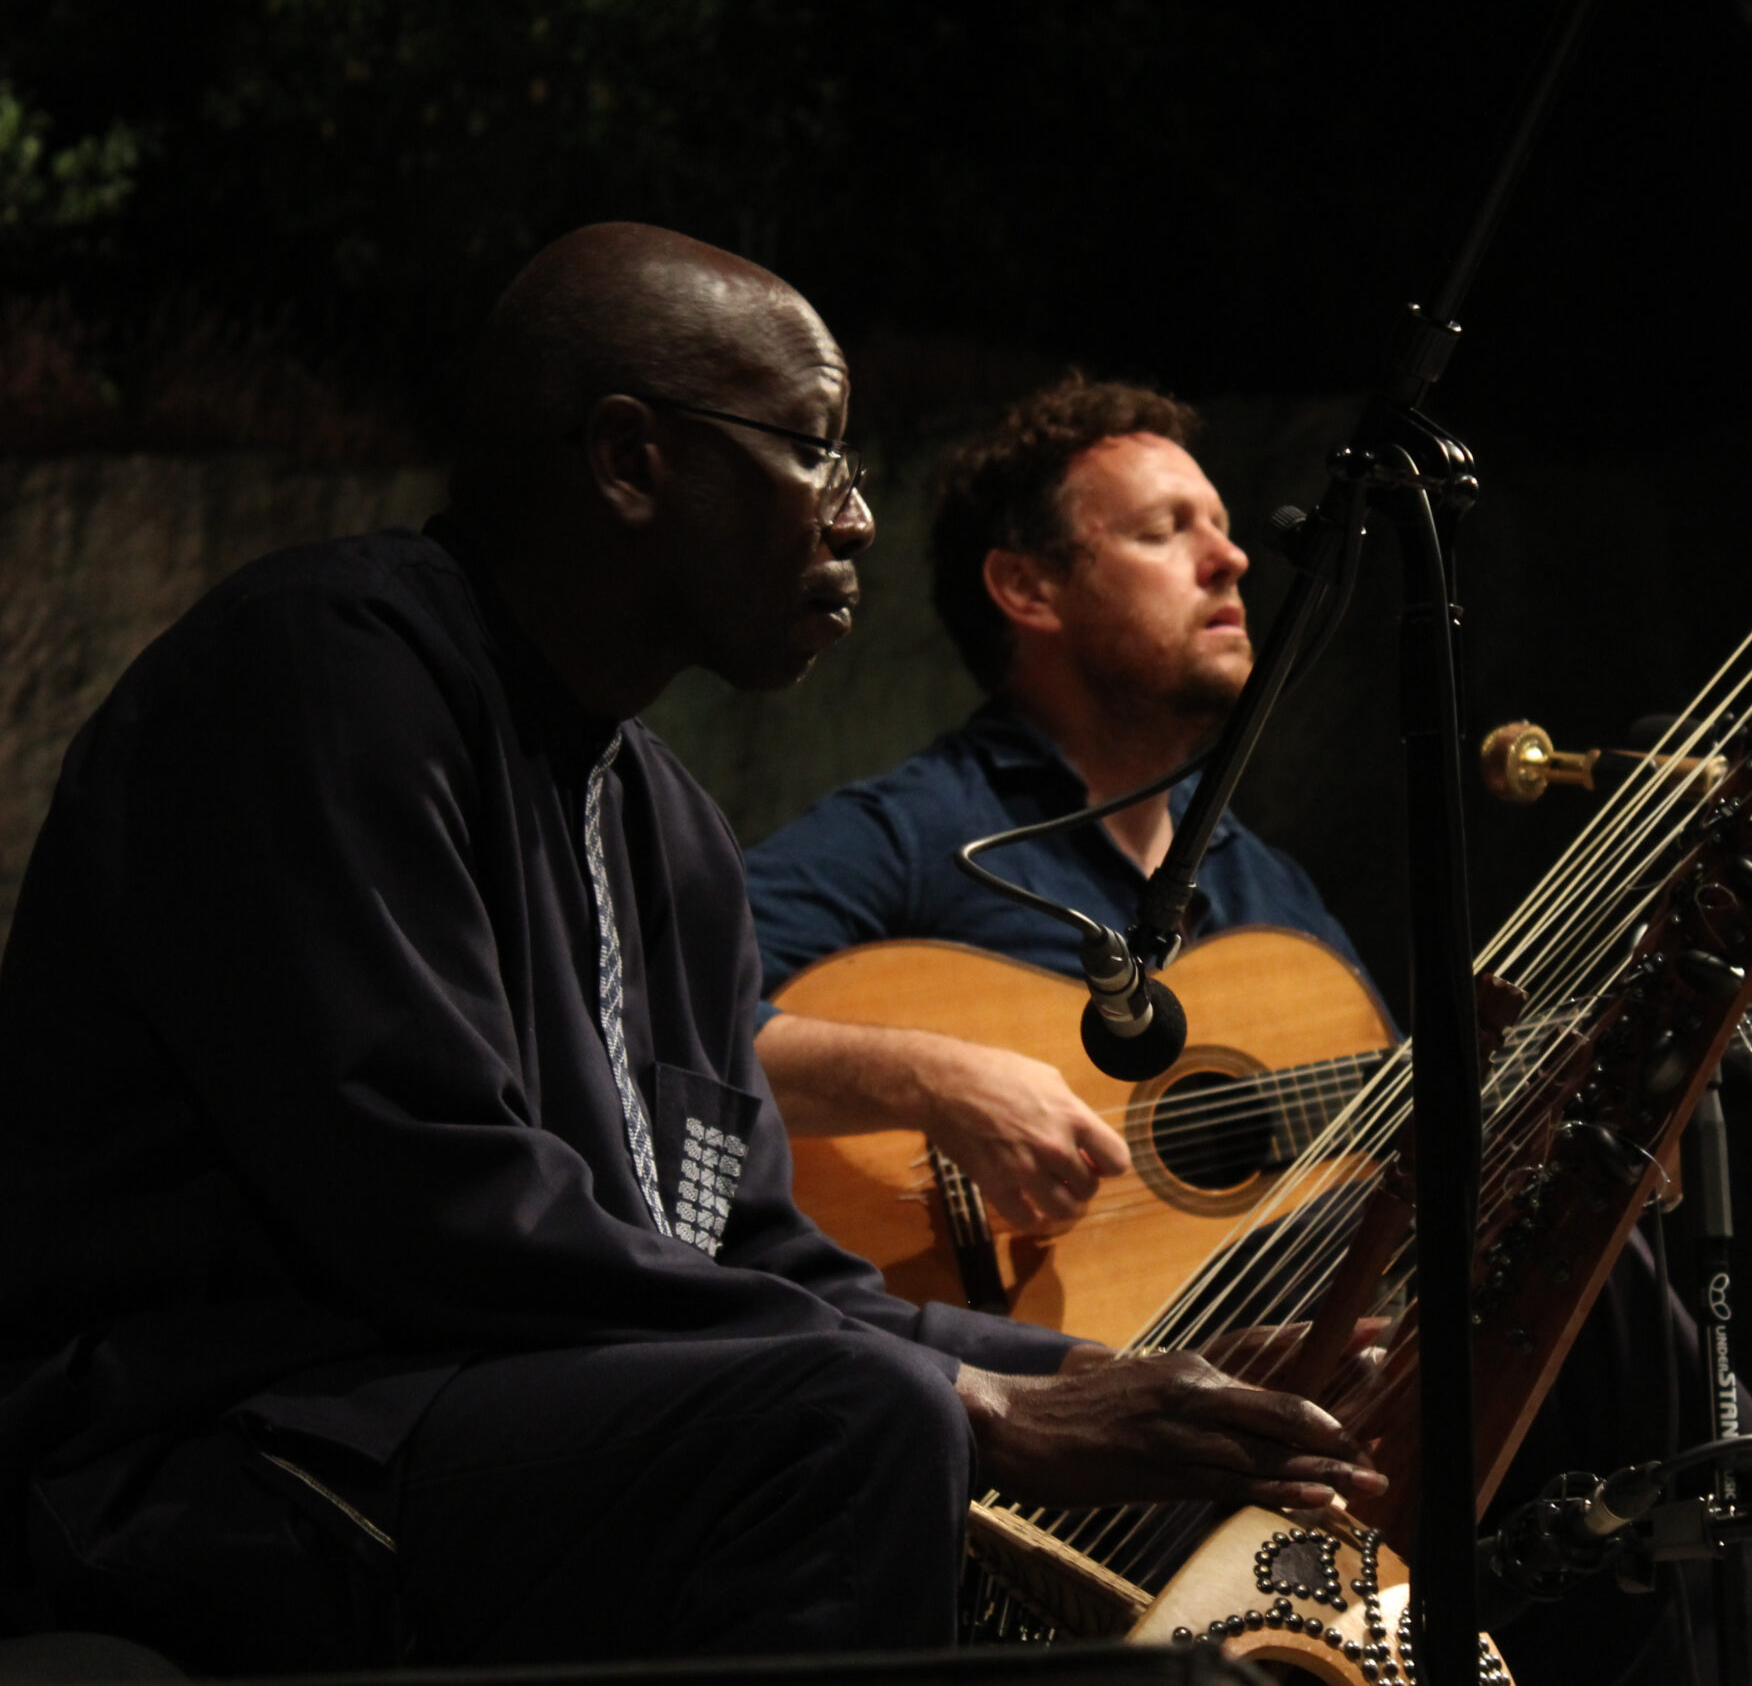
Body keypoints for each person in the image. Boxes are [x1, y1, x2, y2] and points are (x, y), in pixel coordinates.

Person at [0, 229, 1383, 1675]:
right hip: (225, 1449)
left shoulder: (670, 829)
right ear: (630, 460)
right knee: (860, 1423)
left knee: (1133, 1482)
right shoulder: (327, 670)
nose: (852, 516)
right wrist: (985, 1409)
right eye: (817, 455)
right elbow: (438, 1211)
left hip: (494, 1429)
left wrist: (1115, 1380)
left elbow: (766, 1259)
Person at [742, 377, 1752, 1685]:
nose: (1234, 557)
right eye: (1164, 531)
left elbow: (1386, 1172)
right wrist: (935, 1075)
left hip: (1282, 1381)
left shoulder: (1267, 897)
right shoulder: (916, 833)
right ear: (1026, 591)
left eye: (1222, 524)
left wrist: (1541, 1149)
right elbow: (671, 1024)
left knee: (1565, 1262)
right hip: (1037, 1392)